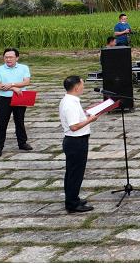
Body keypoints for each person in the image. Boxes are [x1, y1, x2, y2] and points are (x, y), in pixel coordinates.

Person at [59, 75, 100, 213]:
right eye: (82, 84)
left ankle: (72, 197)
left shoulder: (71, 100)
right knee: (75, 173)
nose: (83, 87)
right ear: (76, 87)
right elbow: (74, 126)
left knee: (73, 172)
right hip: (76, 141)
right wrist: (90, 120)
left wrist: (87, 113)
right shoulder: (70, 104)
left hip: (76, 140)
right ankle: (72, 203)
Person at [0, 48, 33, 157]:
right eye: (6, 57)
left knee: (20, 121)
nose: (8, 59)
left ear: (17, 58)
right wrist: (13, 88)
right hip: (4, 99)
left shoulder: (24, 68)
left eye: (11, 57)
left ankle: (22, 143)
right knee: (2, 123)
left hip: (20, 97)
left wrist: (11, 84)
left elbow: (26, 82)